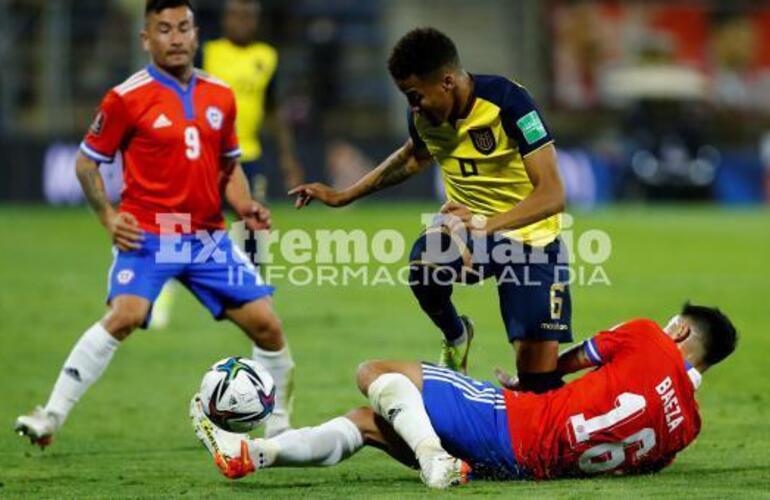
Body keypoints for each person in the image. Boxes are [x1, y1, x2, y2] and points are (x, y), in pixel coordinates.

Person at [15, 0, 294, 447]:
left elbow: (229, 166)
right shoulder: (126, 97)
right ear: (146, 39)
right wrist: (108, 215)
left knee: (269, 326)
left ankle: (280, 429)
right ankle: (50, 415)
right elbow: (87, 163)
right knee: (125, 315)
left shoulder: (220, 95)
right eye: (163, 29)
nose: (176, 38)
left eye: (183, 28)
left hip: (206, 237)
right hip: (149, 233)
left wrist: (244, 206)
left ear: (196, 34)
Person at [290, 28, 570, 393]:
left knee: (538, 386)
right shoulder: (424, 117)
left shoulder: (510, 102)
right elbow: (411, 158)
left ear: (448, 82)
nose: (413, 107)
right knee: (426, 267)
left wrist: (488, 224)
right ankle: (456, 337)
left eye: (416, 96)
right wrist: (345, 195)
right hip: (467, 230)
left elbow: (552, 194)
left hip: (531, 238)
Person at [191, 303, 737, 489]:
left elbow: (568, 360)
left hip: (514, 425)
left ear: (682, 332)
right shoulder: (688, 430)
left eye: (674, 325)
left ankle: (435, 462)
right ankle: (255, 453)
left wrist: (526, 386)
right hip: (532, 470)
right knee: (369, 421)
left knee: (374, 371)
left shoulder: (646, 335)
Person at [203, 0, 303, 201]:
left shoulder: (266, 56)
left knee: (255, 225)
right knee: (204, 224)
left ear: (257, 21)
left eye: (248, 17)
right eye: (236, 16)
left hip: (249, 153)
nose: (242, 22)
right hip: (211, 155)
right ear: (225, 19)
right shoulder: (207, 53)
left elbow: (273, 109)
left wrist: (288, 159)